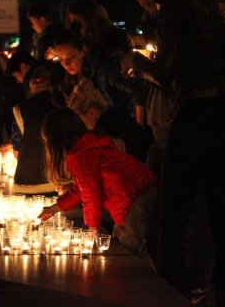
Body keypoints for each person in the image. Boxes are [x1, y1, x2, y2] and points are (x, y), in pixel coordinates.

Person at [124, 0, 225, 305]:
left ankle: (168, 298)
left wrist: (136, 62)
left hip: (196, 115)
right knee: (224, 220)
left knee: (172, 218)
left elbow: (167, 71)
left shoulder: (178, 0)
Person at [38, 108, 156, 255]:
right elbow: (81, 189)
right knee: (121, 239)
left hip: (132, 195)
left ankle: (141, 275)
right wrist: (56, 207)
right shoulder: (88, 145)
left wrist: (92, 226)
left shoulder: (81, 156)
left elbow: (90, 194)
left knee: (130, 244)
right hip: (138, 189)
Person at [10, 66, 58, 195]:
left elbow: (17, 152)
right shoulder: (64, 106)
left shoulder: (21, 110)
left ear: (32, 84)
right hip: (59, 183)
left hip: (26, 184)